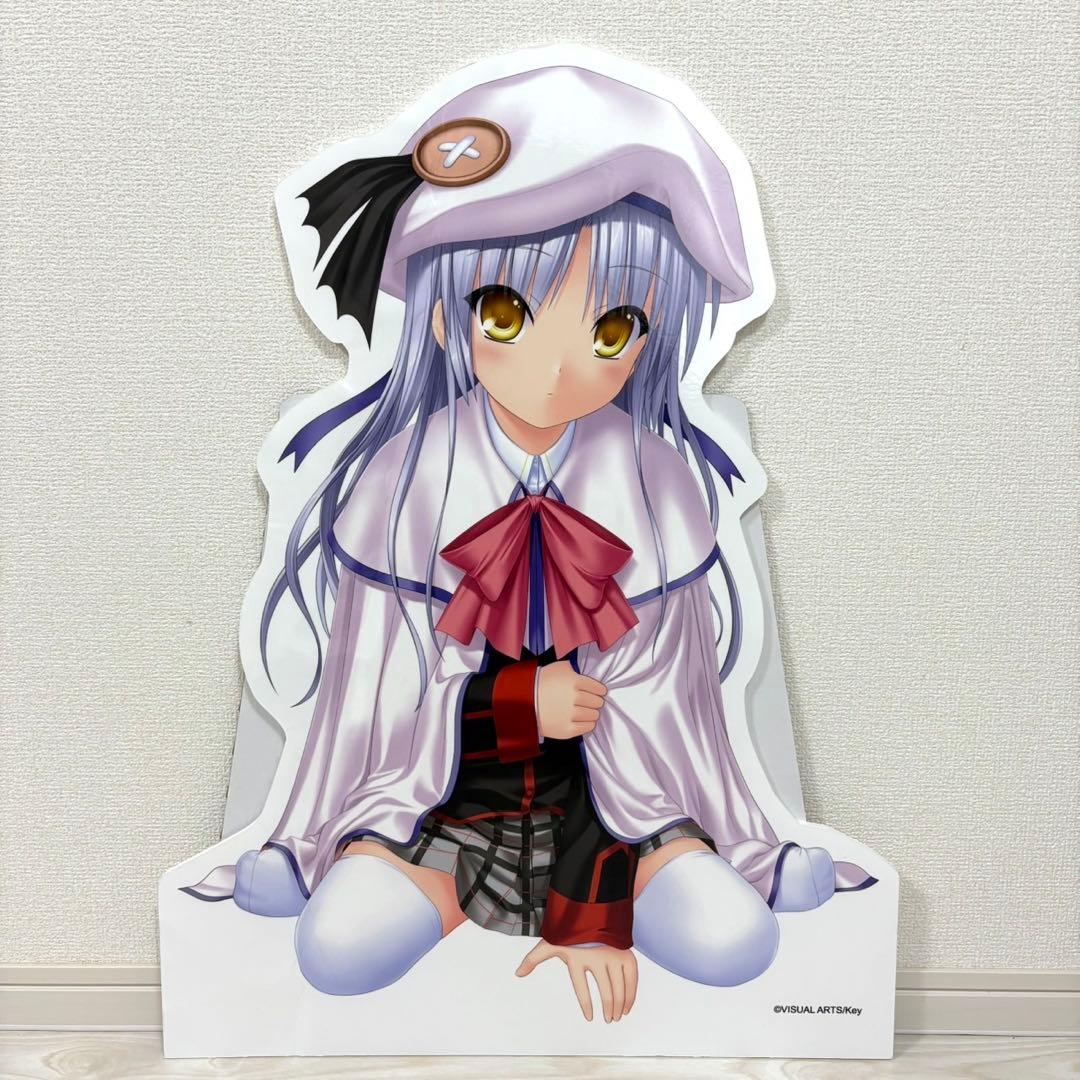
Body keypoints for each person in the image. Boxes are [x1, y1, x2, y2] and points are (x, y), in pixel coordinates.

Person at [184, 59, 874, 1023]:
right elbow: (375, 697)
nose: (559, 367)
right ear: (444, 314)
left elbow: (669, 713)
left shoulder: (653, 478)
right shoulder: (406, 479)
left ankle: (635, 889)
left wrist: (589, 917)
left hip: (618, 811)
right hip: (445, 805)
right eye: (507, 313)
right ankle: (406, 887)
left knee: (735, 943)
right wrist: (512, 703)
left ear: (649, 335)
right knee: (338, 951)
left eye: (613, 327)